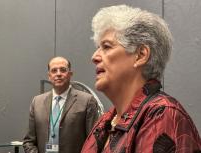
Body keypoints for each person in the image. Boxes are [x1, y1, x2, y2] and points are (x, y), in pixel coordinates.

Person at [81, 5, 201, 153]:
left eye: (106, 46)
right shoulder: (105, 121)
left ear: (141, 55)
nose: (94, 57)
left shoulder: (162, 114)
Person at [23, 56, 99, 153]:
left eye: (63, 70)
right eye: (54, 70)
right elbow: (29, 141)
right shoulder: (37, 102)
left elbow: (93, 142)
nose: (58, 74)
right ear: (49, 76)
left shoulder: (87, 101)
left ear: (70, 74)